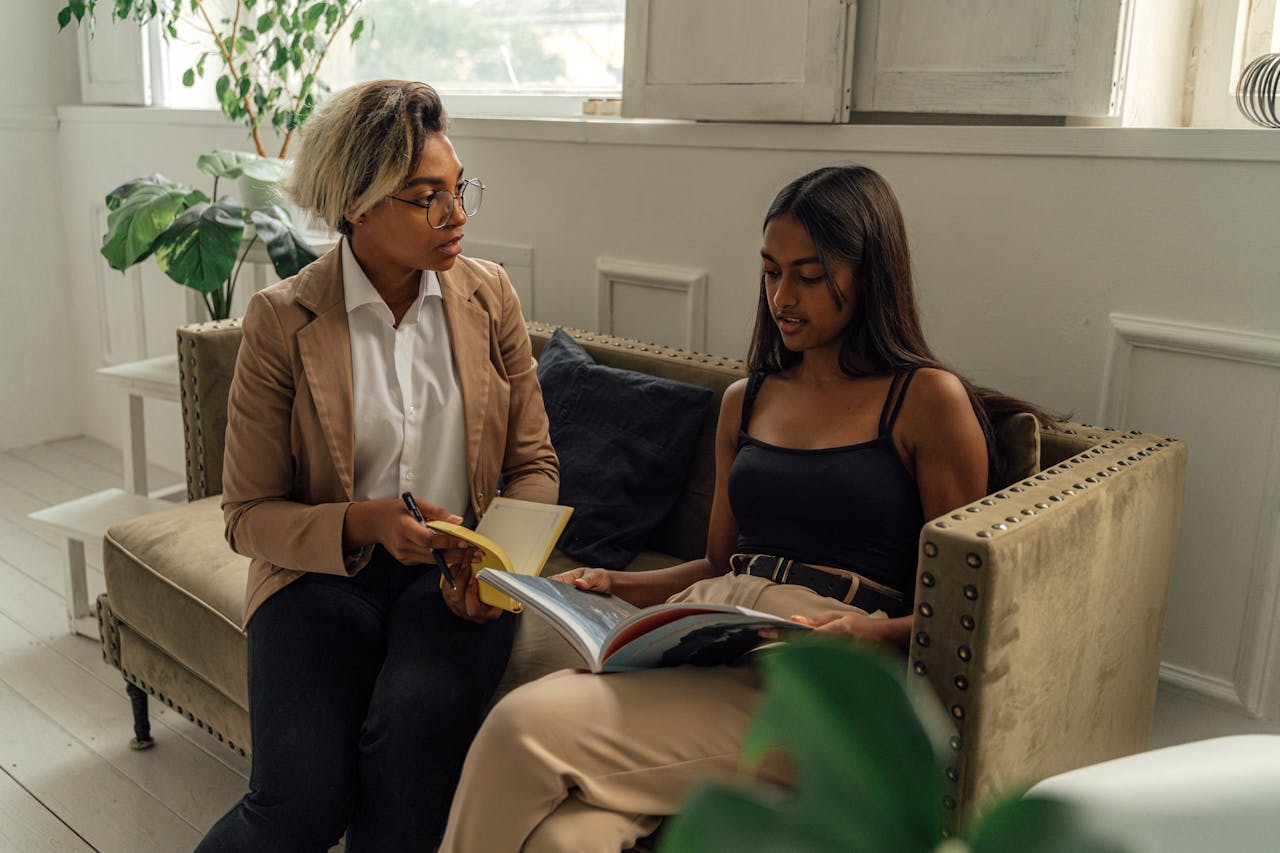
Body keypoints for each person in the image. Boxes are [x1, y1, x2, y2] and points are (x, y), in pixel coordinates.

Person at [439, 165, 1047, 853]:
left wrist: (864, 635)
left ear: (870, 273)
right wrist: (615, 585)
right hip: (714, 630)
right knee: (564, 839)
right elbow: (719, 561)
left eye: (808, 276)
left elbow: (964, 606)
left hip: (817, 679)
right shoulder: (746, 400)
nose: (782, 297)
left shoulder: (927, 402)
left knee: (522, 725)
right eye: (770, 272)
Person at [196, 80, 558, 852]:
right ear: (357, 203)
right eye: (427, 196)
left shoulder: (490, 296)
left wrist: (500, 572)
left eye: (460, 190)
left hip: (454, 586)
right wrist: (362, 521)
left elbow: (533, 465)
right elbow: (246, 515)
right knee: (300, 803)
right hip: (318, 580)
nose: (455, 214)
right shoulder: (282, 320)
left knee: (408, 769)